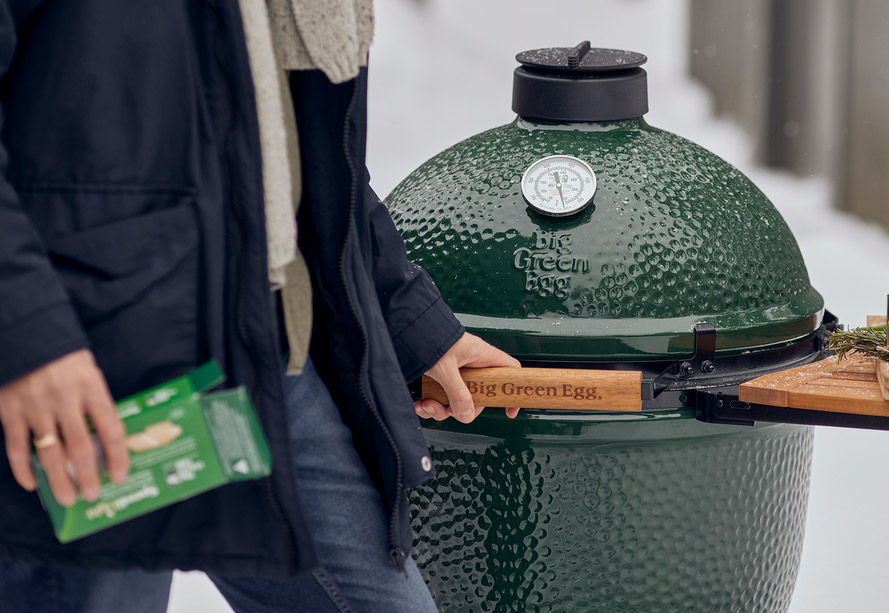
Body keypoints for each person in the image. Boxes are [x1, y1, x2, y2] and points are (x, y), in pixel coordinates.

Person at [0, 1, 519, 611]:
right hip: (86, 373)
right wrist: (29, 336)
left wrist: (408, 320)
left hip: (265, 352)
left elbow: (285, 150)